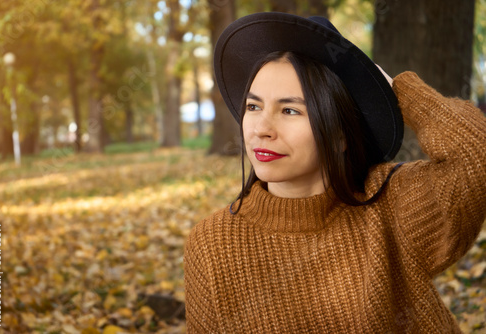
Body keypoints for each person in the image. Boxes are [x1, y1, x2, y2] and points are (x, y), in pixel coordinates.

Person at [183, 12, 486, 333]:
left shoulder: (391, 205)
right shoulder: (211, 244)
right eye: (254, 106)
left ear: (340, 134)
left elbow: (476, 154)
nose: (261, 129)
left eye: (289, 110)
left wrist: (399, 88)